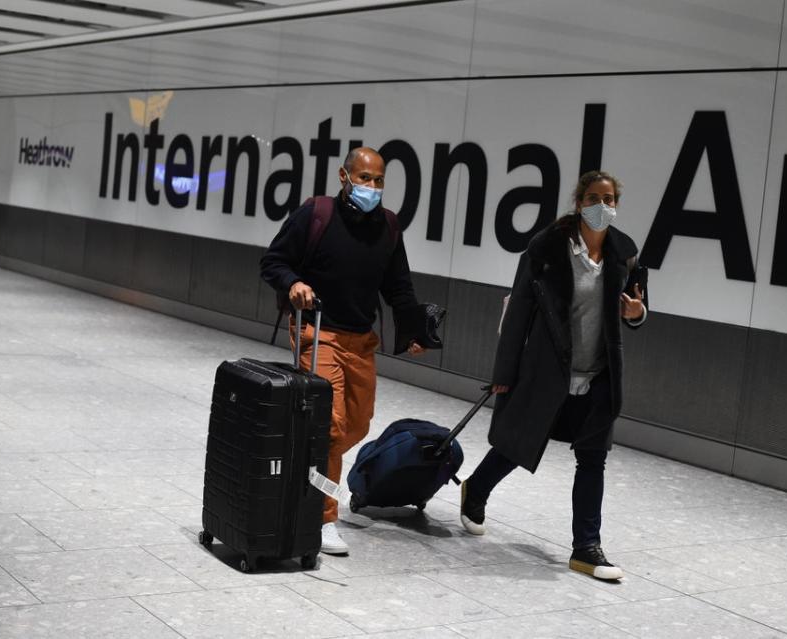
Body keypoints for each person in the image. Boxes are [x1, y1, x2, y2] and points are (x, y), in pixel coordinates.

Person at [460, 170, 647, 581]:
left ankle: (586, 549)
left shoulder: (626, 254)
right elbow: (518, 316)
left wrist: (637, 314)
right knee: (521, 442)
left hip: (599, 374)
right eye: (595, 198)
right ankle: (475, 489)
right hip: (549, 369)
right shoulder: (545, 250)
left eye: (610, 199)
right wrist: (503, 372)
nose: (603, 206)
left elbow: (636, 307)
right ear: (579, 202)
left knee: (593, 458)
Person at [260, 147, 425, 556]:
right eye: (364, 177)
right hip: (319, 335)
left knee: (357, 425)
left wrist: (413, 331)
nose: (371, 186)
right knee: (331, 427)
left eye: (379, 180)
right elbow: (273, 261)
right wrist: (293, 283)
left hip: (360, 339)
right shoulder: (316, 214)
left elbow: (398, 286)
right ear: (343, 176)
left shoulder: (387, 226)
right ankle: (324, 515)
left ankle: (311, 474)